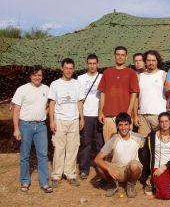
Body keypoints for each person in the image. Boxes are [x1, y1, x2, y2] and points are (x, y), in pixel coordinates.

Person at [12, 66, 52, 193]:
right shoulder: (22, 89)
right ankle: (24, 182)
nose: (37, 77)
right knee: (25, 155)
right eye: (35, 75)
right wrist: (16, 129)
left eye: (39, 75)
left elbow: (51, 105)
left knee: (43, 155)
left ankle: (44, 183)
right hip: (25, 126)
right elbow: (16, 110)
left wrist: (44, 114)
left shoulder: (46, 89)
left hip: (40, 127)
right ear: (30, 76)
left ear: (42, 76)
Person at [49, 58, 85, 187]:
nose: (68, 71)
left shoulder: (77, 84)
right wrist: (52, 121)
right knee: (59, 148)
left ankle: (70, 174)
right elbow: (52, 103)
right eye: (66, 68)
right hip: (60, 120)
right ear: (62, 68)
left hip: (74, 119)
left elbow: (79, 102)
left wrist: (82, 117)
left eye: (71, 68)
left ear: (73, 69)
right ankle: (56, 175)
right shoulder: (55, 84)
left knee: (73, 148)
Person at [94, 112, 145, 198]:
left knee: (134, 165)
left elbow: (151, 148)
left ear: (130, 126)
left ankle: (130, 185)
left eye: (126, 124)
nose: (123, 128)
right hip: (116, 170)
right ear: (117, 126)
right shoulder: (114, 139)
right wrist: (109, 168)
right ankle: (113, 184)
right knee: (100, 166)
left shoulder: (138, 138)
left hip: (131, 170)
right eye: (120, 125)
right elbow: (97, 159)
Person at [98, 46, 139, 142]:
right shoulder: (107, 72)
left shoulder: (131, 73)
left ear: (126, 57)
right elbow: (102, 94)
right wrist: (101, 112)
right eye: (118, 55)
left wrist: (129, 112)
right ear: (114, 56)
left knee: (125, 146)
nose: (120, 57)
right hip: (109, 116)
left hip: (125, 117)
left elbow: (134, 94)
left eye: (122, 55)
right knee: (109, 147)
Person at [141, 112, 170, 200]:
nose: (164, 124)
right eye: (161, 122)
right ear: (159, 122)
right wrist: (147, 174)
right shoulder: (152, 136)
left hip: (169, 166)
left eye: (166, 121)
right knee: (167, 195)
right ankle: (152, 180)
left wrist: (165, 167)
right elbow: (146, 156)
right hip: (157, 168)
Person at [77, 54, 103, 180]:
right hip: (86, 115)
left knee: (100, 144)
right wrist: (81, 117)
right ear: (87, 64)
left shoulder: (103, 77)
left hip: (99, 115)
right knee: (86, 144)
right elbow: (79, 100)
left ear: (98, 64)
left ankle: (101, 169)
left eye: (94, 63)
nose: (92, 66)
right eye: (90, 63)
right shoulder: (80, 78)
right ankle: (84, 169)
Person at [135, 50, 169, 137]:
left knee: (160, 142)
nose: (151, 62)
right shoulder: (140, 76)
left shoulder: (164, 74)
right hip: (142, 116)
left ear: (157, 61)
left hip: (159, 115)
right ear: (145, 61)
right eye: (149, 60)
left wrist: (167, 111)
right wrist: (135, 115)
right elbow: (136, 98)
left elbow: (169, 95)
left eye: (153, 60)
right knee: (143, 144)